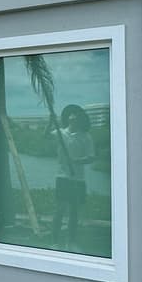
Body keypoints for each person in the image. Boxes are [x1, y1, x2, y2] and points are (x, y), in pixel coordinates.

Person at [51, 105, 94, 248]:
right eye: (71, 114)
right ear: (68, 118)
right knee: (60, 209)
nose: (73, 117)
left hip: (78, 178)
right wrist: (50, 122)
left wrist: (77, 161)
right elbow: (44, 137)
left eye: (76, 115)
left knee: (74, 211)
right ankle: (55, 241)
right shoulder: (60, 133)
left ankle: (71, 241)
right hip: (62, 176)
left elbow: (91, 157)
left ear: (80, 119)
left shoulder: (86, 136)